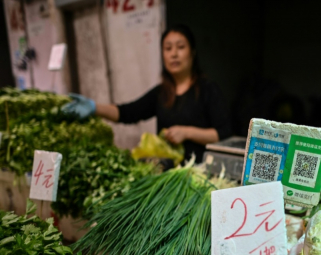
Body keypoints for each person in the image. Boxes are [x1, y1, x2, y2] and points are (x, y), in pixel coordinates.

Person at [62, 24, 231, 163]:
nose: (174, 54)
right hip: (167, 175)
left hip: (201, 173)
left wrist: (186, 132)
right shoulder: (161, 93)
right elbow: (128, 112)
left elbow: (224, 133)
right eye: (168, 48)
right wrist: (94, 107)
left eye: (180, 47)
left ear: (192, 53)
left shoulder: (208, 89)